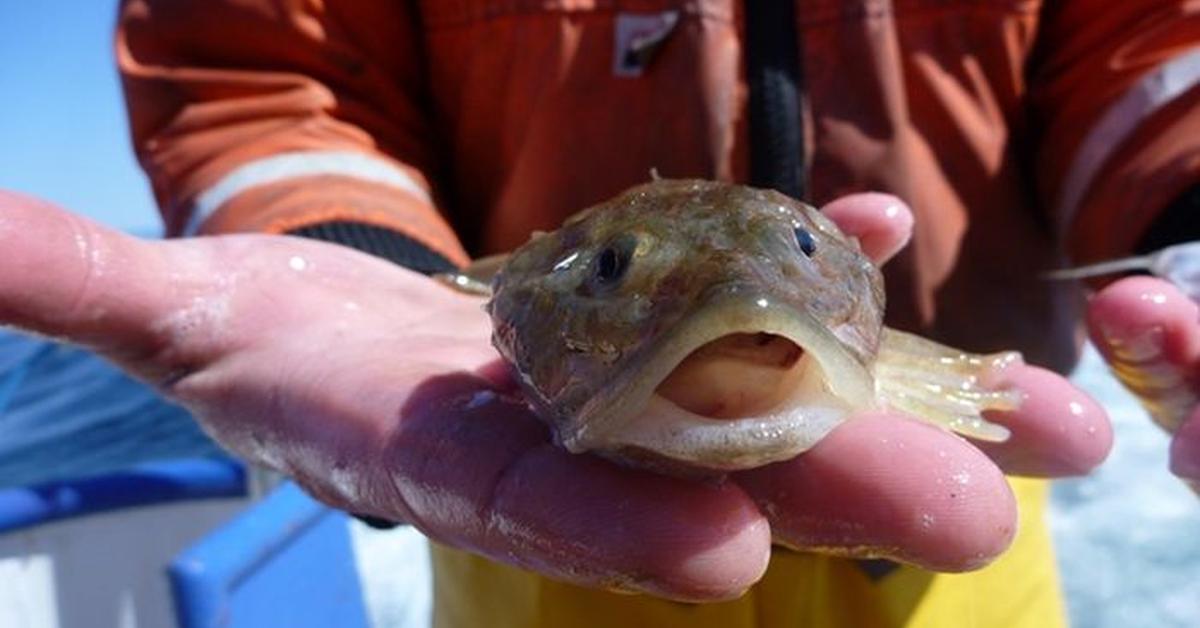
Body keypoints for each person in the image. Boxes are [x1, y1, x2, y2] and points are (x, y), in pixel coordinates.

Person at [1, 0, 1197, 625]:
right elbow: (261, 71)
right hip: (527, 544)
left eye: (798, 255)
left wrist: (1185, 219)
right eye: (615, 276)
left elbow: (1148, 43)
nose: (736, 307)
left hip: (932, 527)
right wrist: (352, 258)